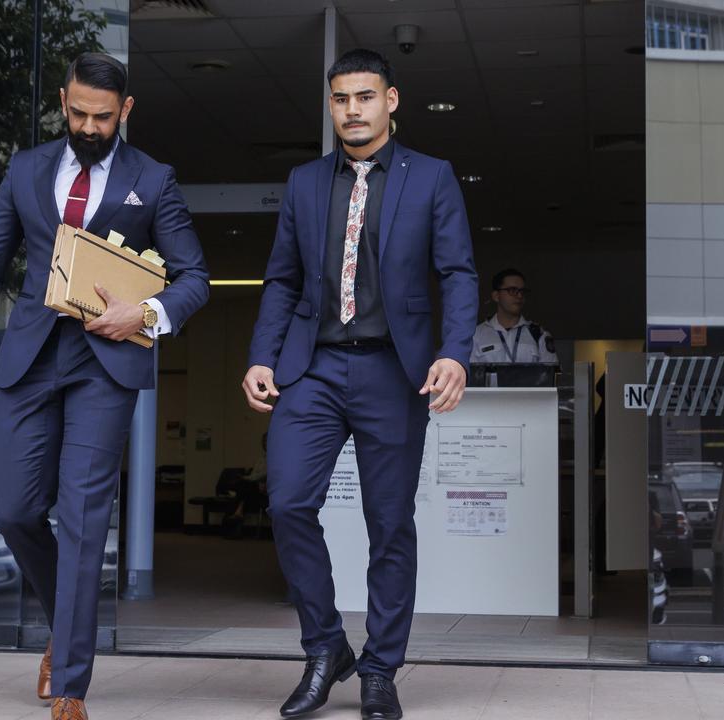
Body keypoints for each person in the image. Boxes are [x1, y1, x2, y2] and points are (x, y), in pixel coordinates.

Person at [0, 53, 209, 720]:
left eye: (103, 117)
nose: (88, 127)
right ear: (63, 101)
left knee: (84, 518)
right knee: (16, 512)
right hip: (30, 357)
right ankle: (67, 621)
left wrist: (143, 314)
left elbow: (194, 278)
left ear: (127, 112)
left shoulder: (154, 180)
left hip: (104, 364)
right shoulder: (27, 169)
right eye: (78, 113)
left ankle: (71, 685)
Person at [241, 49, 477, 720]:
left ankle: (380, 668)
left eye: (365, 97)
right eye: (341, 97)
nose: (352, 109)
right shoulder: (305, 182)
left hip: (391, 371)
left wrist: (455, 353)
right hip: (310, 368)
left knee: (388, 526)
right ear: (331, 104)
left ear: (391, 101)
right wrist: (263, 355)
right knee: (286, 504)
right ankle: (324, 649)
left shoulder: (431, 178)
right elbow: (283, 278)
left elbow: (458, 272)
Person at [469, 268, 558, 365]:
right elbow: (472, 377)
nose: (519, 296)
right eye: (512, 290)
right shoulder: (476, 335)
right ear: (496, 296)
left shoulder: (539, 334)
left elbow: (550, 375)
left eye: (522, 291)